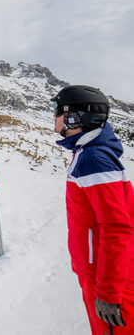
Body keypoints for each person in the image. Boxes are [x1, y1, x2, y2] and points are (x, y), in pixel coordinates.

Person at [52, 85, 134, 335]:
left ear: (74, 118)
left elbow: (116, 227)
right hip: (100, 269)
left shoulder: (93, 159)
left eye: (57, 112)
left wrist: (109, 292)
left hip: (106, 275)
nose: (54, 118)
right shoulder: (87, 152)